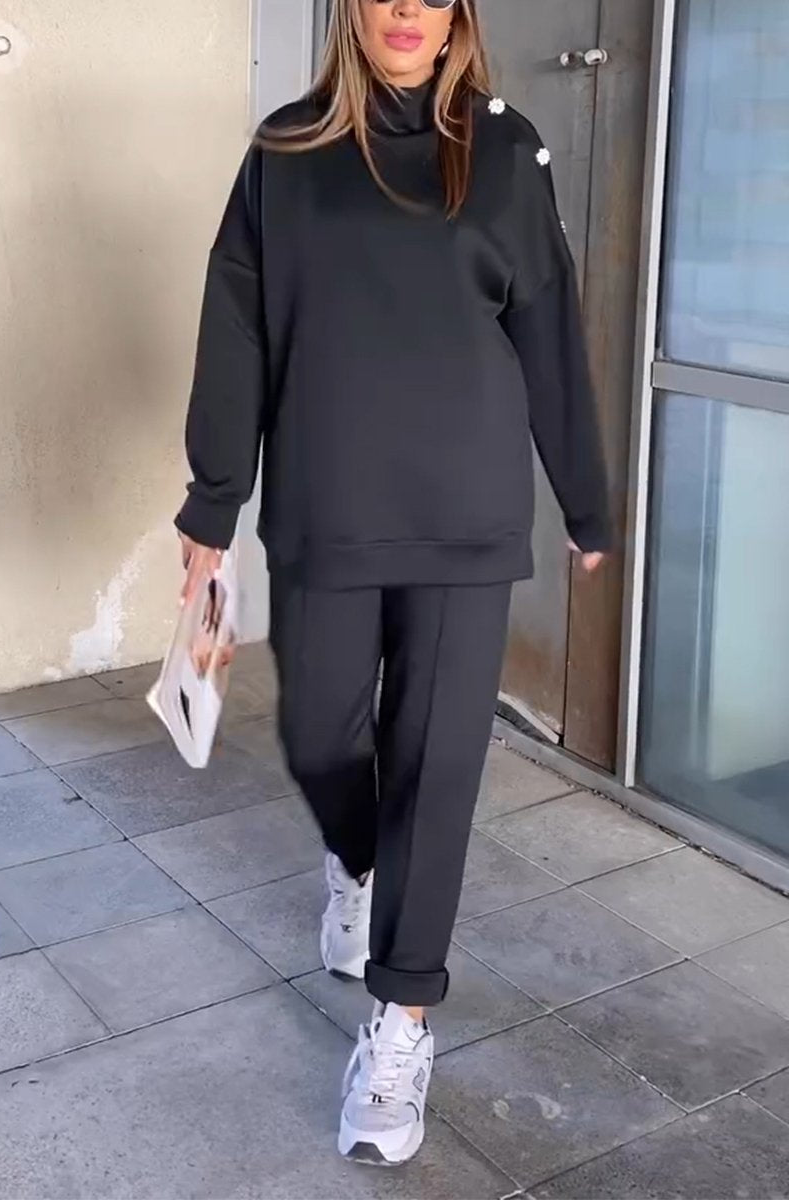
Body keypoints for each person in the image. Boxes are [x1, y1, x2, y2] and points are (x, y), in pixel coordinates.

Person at [175, 0, 610, 1168]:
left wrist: (584, 501)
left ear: (456, 10)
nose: (406, 9)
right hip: (326, 508)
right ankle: (357, 860)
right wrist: (212, 504)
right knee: (321, 734)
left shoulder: (503, 151)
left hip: (466, 518)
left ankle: (401, 1019)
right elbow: (236, 326)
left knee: (435, 766)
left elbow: (548, 334)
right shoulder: (286, 151)